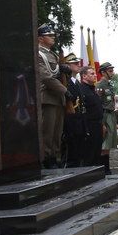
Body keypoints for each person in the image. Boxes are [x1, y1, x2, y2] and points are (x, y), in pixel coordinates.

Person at [36, 25, 69, 168]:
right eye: (49, 35)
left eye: (53, 35)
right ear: (40, 38)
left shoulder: (54, 55)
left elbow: (58, 74)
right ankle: (45, 159)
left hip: (58, 98)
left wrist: (65, 70)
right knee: (48, 132)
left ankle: (54, 157)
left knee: (57, 132)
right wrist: (65, 90)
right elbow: (46, 77)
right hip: (48, 97)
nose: (53, 37)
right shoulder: (37, 54)